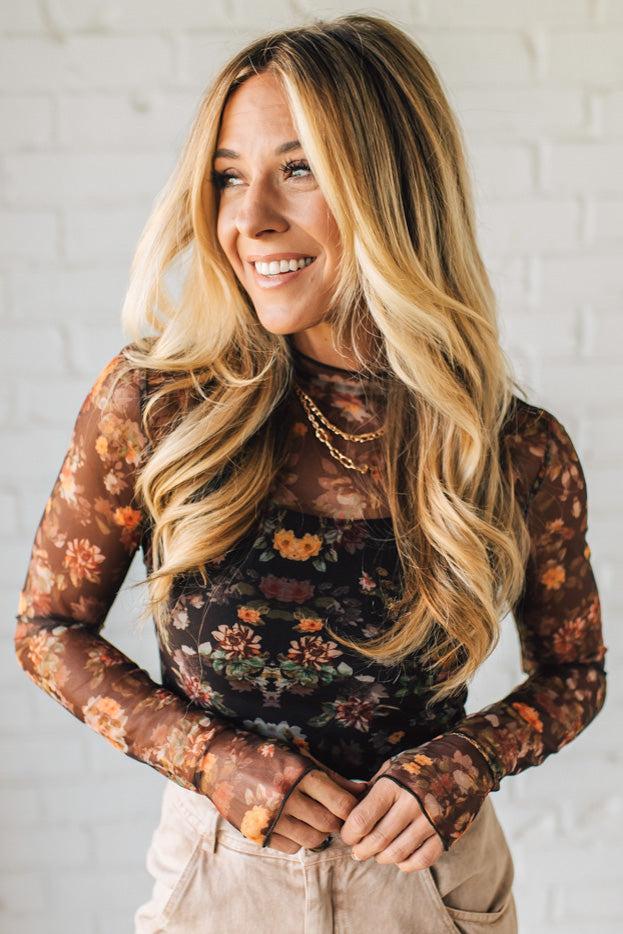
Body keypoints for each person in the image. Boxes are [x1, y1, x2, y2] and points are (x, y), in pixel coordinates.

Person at [14, 13, 607, 934]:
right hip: (220, 880)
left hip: (431, 887)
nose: (249, 222)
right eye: (227, 177)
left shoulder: (512, 448)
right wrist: (208, 757)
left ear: (392, 185)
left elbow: (574, 671)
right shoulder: (156, 407)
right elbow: (47, 629)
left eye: (298, 169)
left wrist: (465, 762)